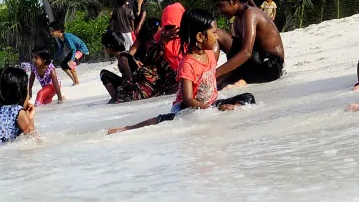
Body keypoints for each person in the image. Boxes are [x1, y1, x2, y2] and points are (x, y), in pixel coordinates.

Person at [107, 9, 256, 134]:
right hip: (187, 108)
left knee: (248, 97)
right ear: (199, 37)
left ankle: (222, 108)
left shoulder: (209, 54)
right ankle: (128, 128)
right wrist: (212, 109)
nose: (217, 36)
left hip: (207, 104)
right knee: (164, 119)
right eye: (214, 32)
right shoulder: (188, 64)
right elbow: (188, 99)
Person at [212, 0, 286, 88]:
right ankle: (207, 75)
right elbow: (235, 52)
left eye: (221, 5)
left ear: (234, 0)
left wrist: (215, 73)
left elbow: (246, 52)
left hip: (271, 66)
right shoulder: (238, 20)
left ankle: (209, 75)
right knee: (214, 34)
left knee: (218, 34)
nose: (219, 11)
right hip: (257, 63)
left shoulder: (250, 13)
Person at [110, 16, 177, 104]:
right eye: (160, 28)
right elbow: (131, 53)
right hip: (148, 74)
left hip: (151, 75)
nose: (161, 30)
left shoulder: (157, 41)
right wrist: (134, 60)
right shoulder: (147, 41)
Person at [99, 30, 139, 103]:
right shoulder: (124, 55)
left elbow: (130, 79)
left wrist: (122, 93)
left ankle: (115, 98)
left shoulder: (123, 59)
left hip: (135, 89)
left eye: (104, 47)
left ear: (109, 47)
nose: (104, 50)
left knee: (104, 74)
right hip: (133, 85)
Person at [49, 21, 89, 86]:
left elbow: (73, 48)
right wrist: (52, 57)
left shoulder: (67, 37)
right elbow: (60, 50)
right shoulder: (60, 39)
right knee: (63, 65)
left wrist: (72, 59)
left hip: (82, 51)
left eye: (52, 31)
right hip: (75, 51)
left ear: (59, 30)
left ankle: (77, 82)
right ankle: (74, 81)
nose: (51, 33)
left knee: (71, 64)